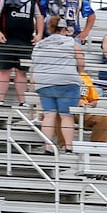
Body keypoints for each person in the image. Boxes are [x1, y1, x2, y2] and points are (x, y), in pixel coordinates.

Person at [29, 19, 85, 154]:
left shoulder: (40, 44)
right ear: (64, 30)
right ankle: (68, 147)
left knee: (49, 115)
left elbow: (34, 63)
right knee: (67, 116)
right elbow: (81, 62)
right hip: (67, 81)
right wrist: (78, 72)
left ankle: (48, 147)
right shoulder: (71, 42)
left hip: (44, 83)